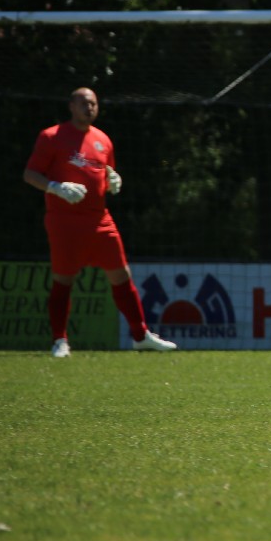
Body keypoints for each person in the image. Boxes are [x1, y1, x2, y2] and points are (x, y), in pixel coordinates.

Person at [23, 87, 178, 357]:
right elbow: (30, 174)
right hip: (64, 220)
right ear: (71, 106)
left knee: (121, 275)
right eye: (84, 103)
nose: (90, 108)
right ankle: (59, 340)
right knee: (64, 279)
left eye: (93, 104)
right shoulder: (51, 136)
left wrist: (112, 181)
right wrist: (55, 187)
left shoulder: (103, 139)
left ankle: (140, 336)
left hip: (100, 219)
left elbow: (105, 176)